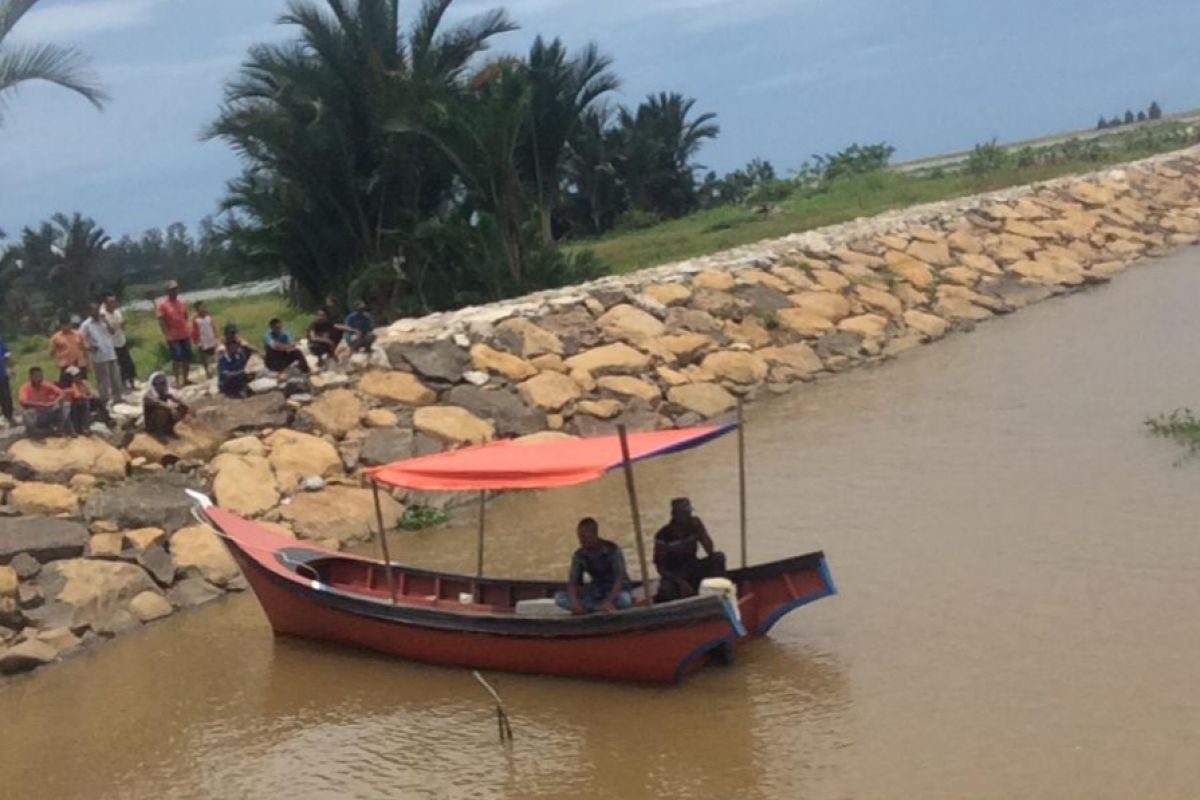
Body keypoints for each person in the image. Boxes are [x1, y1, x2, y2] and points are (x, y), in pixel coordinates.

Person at [652, 498, 727, 603]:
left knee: (718, 557)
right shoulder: (663, 535)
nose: (688, 516)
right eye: (684, 514)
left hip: (693, 566)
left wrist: (701, 531)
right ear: (674, 514)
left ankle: (719, 595)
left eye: (689, 513)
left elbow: (710, 550)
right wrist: (680, 582)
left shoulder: (693, 527)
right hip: (674, 573)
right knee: (666, 590)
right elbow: (660, 567)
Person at [554, 518, 633, 615]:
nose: (581, 540)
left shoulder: (612, 550)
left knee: (624, 600)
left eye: (584, 537)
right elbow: (573, 582)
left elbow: (619, 580)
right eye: (579, 537)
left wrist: (608, 601)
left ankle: (597, 607)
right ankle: (595, 608)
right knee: (559, 598)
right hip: (596, 590)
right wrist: (575, 602)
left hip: (615, 591)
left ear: (594, 534)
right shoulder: (580, 555)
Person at [79, 301, 122, 411]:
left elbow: (112, 332)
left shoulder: (103, 321)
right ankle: (105, 400)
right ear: (89, 312)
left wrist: (106, 322)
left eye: (97, 310)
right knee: (103, 380)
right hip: (99, 356)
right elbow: (81, 340)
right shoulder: (86, 325)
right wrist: (89, 347)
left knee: (115, 377)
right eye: (94, 310)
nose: (97, 312)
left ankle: (118, 398)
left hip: (110, 352)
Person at [155, 279, 191, 388]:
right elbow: (161, 321)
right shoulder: (163, 305)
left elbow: (185, 316)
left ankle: (185, 378)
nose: (174, 291)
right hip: (173, 335)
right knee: (176, 358)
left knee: (187, 357)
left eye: (176, 289)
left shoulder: (181, 302)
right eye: (172, 289)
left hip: (184, 333)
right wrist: (167, 335)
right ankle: (177, 379)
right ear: (167, 291)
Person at [18, 367, 70, 436]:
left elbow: (62, 393)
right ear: (30, 377)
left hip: (47, 411)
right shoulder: (25, 387)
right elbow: (23, 401)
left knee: (66, 405)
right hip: (36, 415)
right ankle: (42, 431)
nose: (39, 378)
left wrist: (54, 402)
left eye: (40, 376)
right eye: (36, 376)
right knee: (27, 413)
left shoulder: (46, 384)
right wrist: (41, 404)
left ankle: (58, 429)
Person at [101, 292, 137, 390]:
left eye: (114, 301)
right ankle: (123, 385)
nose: (114, 303)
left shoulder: (117, 312)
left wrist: (122, 325)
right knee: (118, 365)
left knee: (128, 363)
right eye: (111, 302)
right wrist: (119, 325)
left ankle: (132, 383)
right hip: (112, 344)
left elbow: (121, 326)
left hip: (121, 340)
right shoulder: (103, 315)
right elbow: (110, 330)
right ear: (106, 303)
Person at [143, 371, 189, 439]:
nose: (162, 385)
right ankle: (157, 433)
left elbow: (176, 400)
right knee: (161, 411)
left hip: (163, 418)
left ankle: (169, 430)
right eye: (159, 383)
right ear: (153, 384)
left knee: (183, 408)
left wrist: (182, 404)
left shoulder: (164, 393)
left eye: (163, 383)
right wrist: (171, 409)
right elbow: (158, 403)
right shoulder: (148, 396)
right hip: (151, 424)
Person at [48, 316, 87, 386]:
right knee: (67, 386)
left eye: (68, 324)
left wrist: (87, 363)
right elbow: (52, 353)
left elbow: (84, 348)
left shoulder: (78, 334)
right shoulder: (55, 337)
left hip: (80, 364)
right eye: (64, 325)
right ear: (60, 325)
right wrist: (58, 361)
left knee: (82, 385)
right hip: (66, 365)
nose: (66, 327)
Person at [217, 324, 253, 398]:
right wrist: (241, 372)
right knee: (237, 377)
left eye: (233, 333)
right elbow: (227, 375)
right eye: (231, 333)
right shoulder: (222, 354)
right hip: (227, 382)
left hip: (236, 371)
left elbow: (248, 347)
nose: (233, 335)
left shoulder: (237, 352)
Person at [61, 366, 98, 434]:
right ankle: (78, 427)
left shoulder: (83, 383)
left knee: (87, 402)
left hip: (80, 402)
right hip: (70, 405)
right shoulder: (69, 385)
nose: (79, 377)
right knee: (80, 404)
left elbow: (93, 394)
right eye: (76, 376)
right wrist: (86, 396)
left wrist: (87, 396)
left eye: (79, 375)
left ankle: (85, 426)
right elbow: (77, 396)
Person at [190, 301, 219, 379]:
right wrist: (196, 340)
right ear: (197, 309)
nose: (204, 309)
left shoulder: (208, 317)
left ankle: (216, 369)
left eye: (205, 307)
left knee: (214, 354)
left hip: (211, 338)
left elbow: (213, 327)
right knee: (204, 357)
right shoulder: (196, 320)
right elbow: (194, 331)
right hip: (202, 341)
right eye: (202, 307)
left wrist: (216, 337)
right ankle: (207, 372)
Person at [0, 332, 12, 425]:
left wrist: (8, 368)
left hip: (2, 372)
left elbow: (7, 353)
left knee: (6, 396)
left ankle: (9, 416)